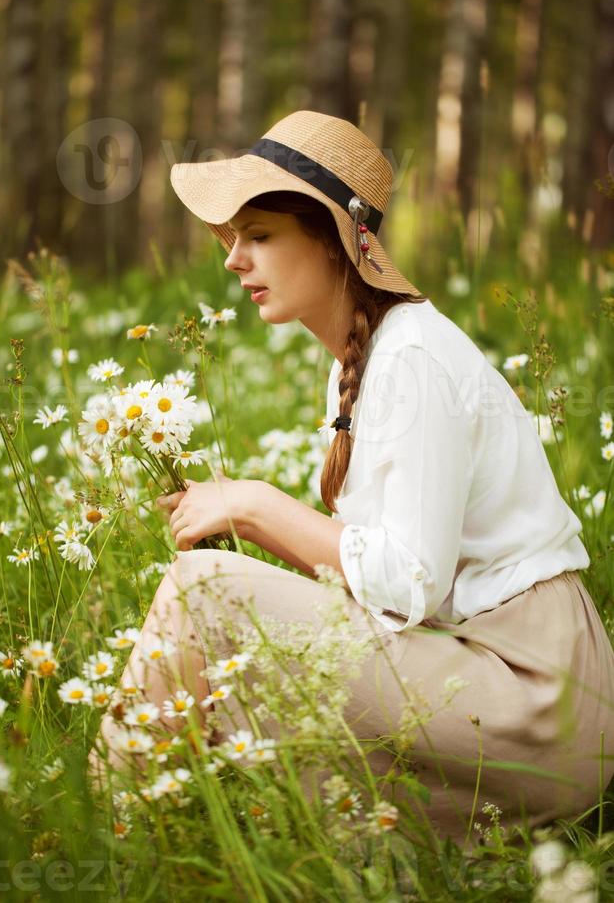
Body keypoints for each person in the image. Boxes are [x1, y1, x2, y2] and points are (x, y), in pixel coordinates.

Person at [89, 109, 614, 842]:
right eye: (231, 240)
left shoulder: (413, 359)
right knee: (220, 604)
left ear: (338, 243)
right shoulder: (362, 361)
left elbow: (408, 585)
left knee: (204, 592)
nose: (234, 261)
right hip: (479, 666)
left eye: (261, 236)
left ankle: (109, 826)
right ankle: (153, 823)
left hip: (535, 696)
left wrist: (254, 506)